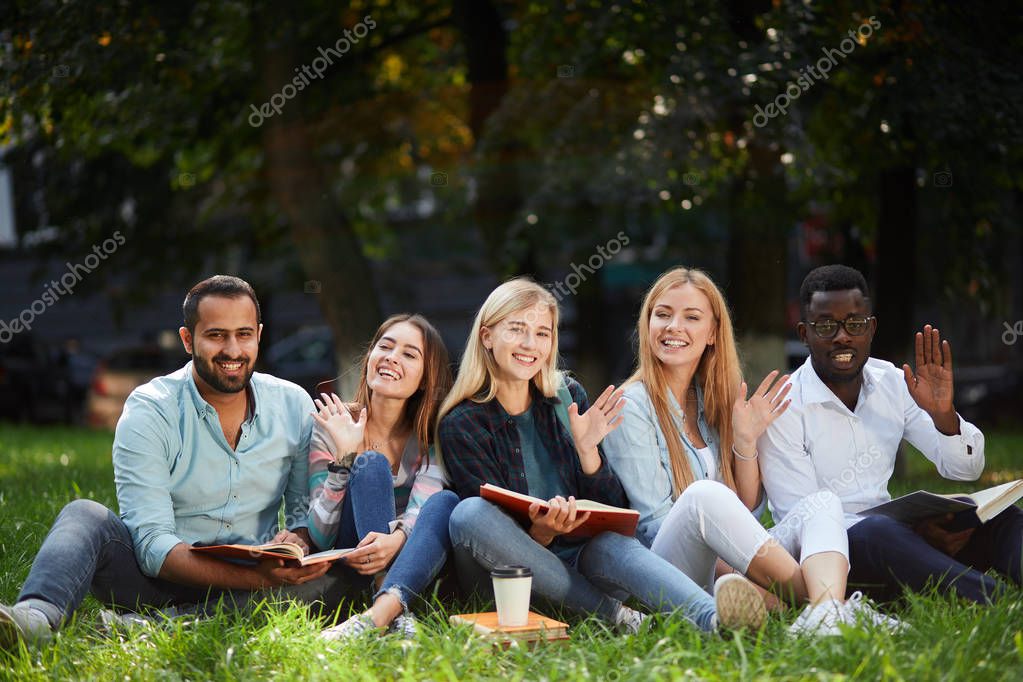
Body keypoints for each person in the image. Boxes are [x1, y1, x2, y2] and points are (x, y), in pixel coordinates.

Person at [0, 275, 356, 651]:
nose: (233, 349)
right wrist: (258, 582)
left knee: (340, 582)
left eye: (244, 334)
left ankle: (154, 627)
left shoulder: (292, 404)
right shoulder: (150, 409)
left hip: (258, 570)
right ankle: (34, 618)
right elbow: (153, 548)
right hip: (156, 582)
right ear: (188, 340)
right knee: (85, 515)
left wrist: (295, 541)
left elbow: (302, 511)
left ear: (259, 335)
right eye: (217, 335)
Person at [438, 278, 767, 635]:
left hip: (580, 565)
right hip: (511, 583)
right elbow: (494, 536)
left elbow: (613, 510)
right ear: (487, 336)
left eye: (543, 333)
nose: (530, 344)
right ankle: (618, 617)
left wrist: (588, 452)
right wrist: (543, 533)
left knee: (610, 543)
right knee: (467, 514)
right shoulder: (462, 423)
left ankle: (714, 620)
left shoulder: (568, 397)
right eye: (517, 330)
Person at [602, 267, 896, 635]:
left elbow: (745, 511)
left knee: (822, 502)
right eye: (662, 314)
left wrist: (744, 442)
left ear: (712, 333)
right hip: (666, 573)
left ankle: (823, 615)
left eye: (691, 317)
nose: (673, 326)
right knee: (704, 496)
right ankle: (830, 606)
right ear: (647, 325)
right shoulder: (631, 406)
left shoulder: (710, 403)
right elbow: (653, 527)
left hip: (726, 564)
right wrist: (750, 573)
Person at [759, 264, 1023, 604]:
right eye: (826, 325)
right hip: (833, 560)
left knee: (1001, 518)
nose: (842, 336)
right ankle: (996, 601)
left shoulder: (894, 384)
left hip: (899, 543)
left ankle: (940, 567)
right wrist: (909, 535)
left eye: (854, 323)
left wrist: (943, 414)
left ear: (871, 329)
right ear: (803, 333)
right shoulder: (783, 406)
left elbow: (965, 470)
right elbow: (806, 519)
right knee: (877, 534)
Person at [307, 314, 459, 640]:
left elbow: (423, 509)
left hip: (410, 559)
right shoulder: (333, 423)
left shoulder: (434, 435)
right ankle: (390, 610)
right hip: (351, 559)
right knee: (371, 464)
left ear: (424, 379)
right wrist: (346, 459)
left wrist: (399, 539)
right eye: (385, 346)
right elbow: (319, 537)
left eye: (409, 353)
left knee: (446, 501)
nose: (391, 357)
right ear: (370, 359)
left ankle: (383, 610)